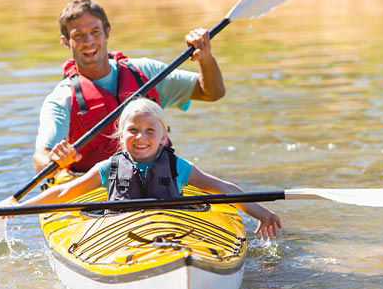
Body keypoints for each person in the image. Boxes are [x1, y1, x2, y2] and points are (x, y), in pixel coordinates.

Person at [17, 98, 281, 239]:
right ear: (121, 136)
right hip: (121, 238)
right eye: (133, 130)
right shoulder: (108, 168)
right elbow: (64, 194)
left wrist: (262, 213)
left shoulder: (178, 167)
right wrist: (19, 208)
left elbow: (224, 189)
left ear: (164, 137)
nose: (141, 137)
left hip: (175, 234)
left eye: (149, 131)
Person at [34, 0, 226, 174]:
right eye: (78, 35)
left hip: (158, 178)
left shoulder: (146, 73)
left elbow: (212, 93)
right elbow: (40, 159)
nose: (89, 41)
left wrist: (205, 58)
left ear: (107, 32)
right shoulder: (61, 99)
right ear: (65, 41)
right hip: (94, 190)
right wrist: (54, 158)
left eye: (95, 32)